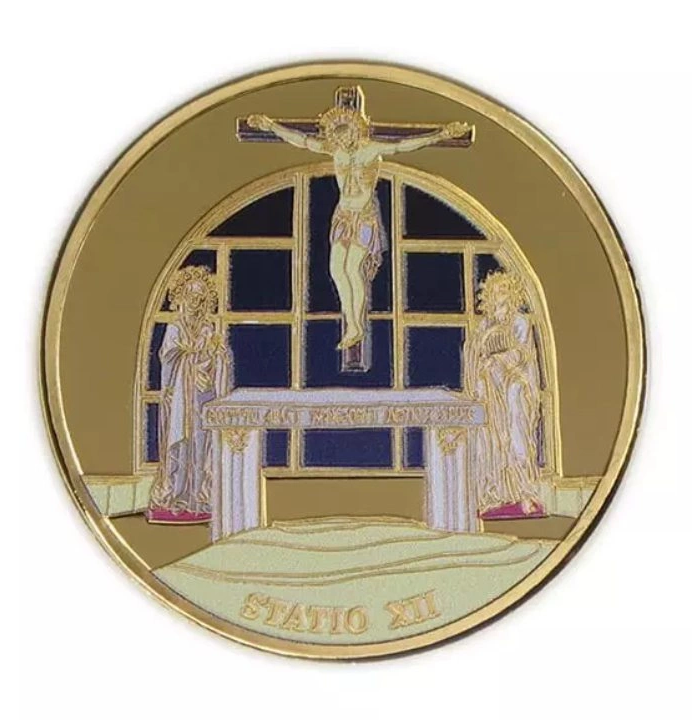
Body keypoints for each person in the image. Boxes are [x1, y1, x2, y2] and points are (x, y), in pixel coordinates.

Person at [247, 107, 471, 349]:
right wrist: (271, 126)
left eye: (346, 135)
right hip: (343, 216)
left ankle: (357, 326)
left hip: (364, 217)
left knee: (353, 269)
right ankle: (351, 322)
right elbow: (301, 140)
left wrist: (440, 135)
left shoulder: (371, 149)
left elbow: (402, 145)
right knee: (336, 269)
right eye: (338, 137)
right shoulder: (334, 150)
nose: (343, 141)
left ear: (356, 130)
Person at [147, 266, 233, 523]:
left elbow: (215, 360)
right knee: (180, 445)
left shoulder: (207, 328)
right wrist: (193, 352)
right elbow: (169, 356)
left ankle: (199, 498)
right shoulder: (174, 329)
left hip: (202, 397)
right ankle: (176, 496)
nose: (195, 303)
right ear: (181, 298)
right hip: (179, 398)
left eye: (200, 298)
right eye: (191, 296)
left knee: (201, 445)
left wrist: (216, 353)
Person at [465, 271, 544, 518]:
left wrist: (497, 361)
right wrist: (481, 367)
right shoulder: (484, 325)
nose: (501, 294)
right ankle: (494, 494)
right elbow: (473, 354)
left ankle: (525, 493)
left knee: (516, 436)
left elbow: (522, 355)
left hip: (514, 389)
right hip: (490, 390)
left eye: (505, 290)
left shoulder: (520, 322)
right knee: (490, 440)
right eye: (496, 290)